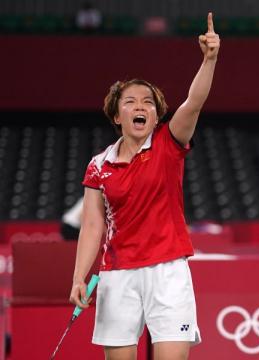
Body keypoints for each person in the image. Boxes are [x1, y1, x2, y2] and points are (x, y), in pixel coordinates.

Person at [69, 13, 219, 359]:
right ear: (116, 115)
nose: (140, 106)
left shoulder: (169, 143)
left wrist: (209, 59)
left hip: (168, 271)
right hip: (117, 274)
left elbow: (194, 103)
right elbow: (92, 225)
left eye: (148, 102)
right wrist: (79, 277)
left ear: (155, 115)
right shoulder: (98, 165)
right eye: (130, 102)